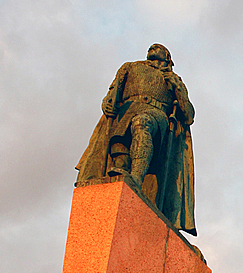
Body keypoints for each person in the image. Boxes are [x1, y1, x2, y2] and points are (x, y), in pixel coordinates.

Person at [76, 43, 196, 234]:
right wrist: (107, 103)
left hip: (156, 114)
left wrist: (177, 88)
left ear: (168, 58)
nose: (154, 49)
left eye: (159, 52)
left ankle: (136, 179)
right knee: (120, 135)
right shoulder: (130, 67)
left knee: (141, 123)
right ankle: (122, 169)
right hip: (127, 110)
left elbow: (188, 115)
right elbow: (112, 94)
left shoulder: (173, 80)